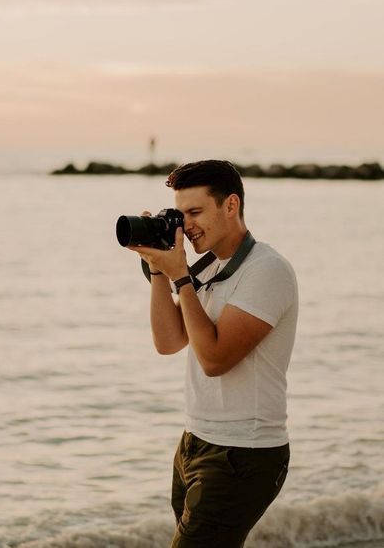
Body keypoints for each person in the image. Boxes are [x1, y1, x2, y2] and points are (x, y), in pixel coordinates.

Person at [128, 160, 298, 547]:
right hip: (195, 441)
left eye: (195, 212)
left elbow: (215, 359)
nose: (186, 226)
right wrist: (158, 267)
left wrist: (181, 277)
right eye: (180, 213)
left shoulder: (266, 270)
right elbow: (168, 342)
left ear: (231, 205)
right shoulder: (208, 268)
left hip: (244, 451)